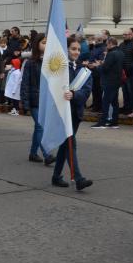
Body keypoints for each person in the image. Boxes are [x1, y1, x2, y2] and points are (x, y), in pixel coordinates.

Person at [51, 37, 93, 190]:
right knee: (70, 143)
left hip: (76, 112)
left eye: (78, 50)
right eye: (73, 49)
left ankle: (56, 176)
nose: (76, 52)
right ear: (66, 49)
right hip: (62, 112)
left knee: (65, 145)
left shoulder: (84, 71)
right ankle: (78, 178)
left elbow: (87, 91)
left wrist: (74, 95)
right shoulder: (59, 67)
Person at [21, 33, 56, 165]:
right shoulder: (30, 63)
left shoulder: (52, 62)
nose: (46, 45)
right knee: (41, 126)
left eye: (48, 42)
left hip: (47, 100)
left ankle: (33, 153)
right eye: (44, 42)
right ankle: (47, 154)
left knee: (38, 128)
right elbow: (25, 83)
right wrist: (25, 102)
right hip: (35, 100)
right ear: (37, 44)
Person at [91, 37, 122, 129]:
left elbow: (105, 68)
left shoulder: (111, 54)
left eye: (107, 44)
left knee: (106, 102)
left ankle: (102, 122)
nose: (106, 46)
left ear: (111, 44)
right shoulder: (120, 53)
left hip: (109, 81)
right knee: (114, 102)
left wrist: (97, 66)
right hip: (116, 80)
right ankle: (114, 122)